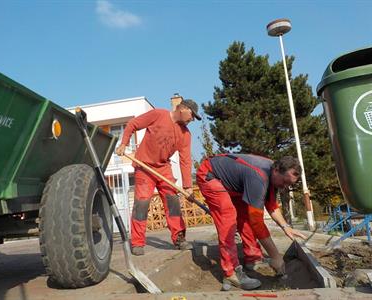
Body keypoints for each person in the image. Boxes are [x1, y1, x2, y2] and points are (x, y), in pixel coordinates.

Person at [196, 154, 307, 290]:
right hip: (210, 175)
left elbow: (271, 206)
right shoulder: (259, 177)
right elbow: (257, 222)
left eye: (289, 184)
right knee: (228, 219)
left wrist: (286, 227)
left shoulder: (272, 175)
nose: (284, 187)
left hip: (234, 186)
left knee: (246, 217)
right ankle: (231, 273)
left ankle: (253, 257)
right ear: (277, 170)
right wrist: (276, 256)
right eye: (284, 182)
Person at [115, 98, 201, 256]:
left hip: (163, 168)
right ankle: (137, 242)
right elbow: (133, 124)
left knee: (173, 202)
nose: (193, 119)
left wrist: (188, 186)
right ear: (183, 109)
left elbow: (185, 161)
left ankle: (179, 238)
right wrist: (124, 143)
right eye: (192, 115)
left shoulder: (185, 134)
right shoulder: (158, 115)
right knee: (141, 204)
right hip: (144, 167)